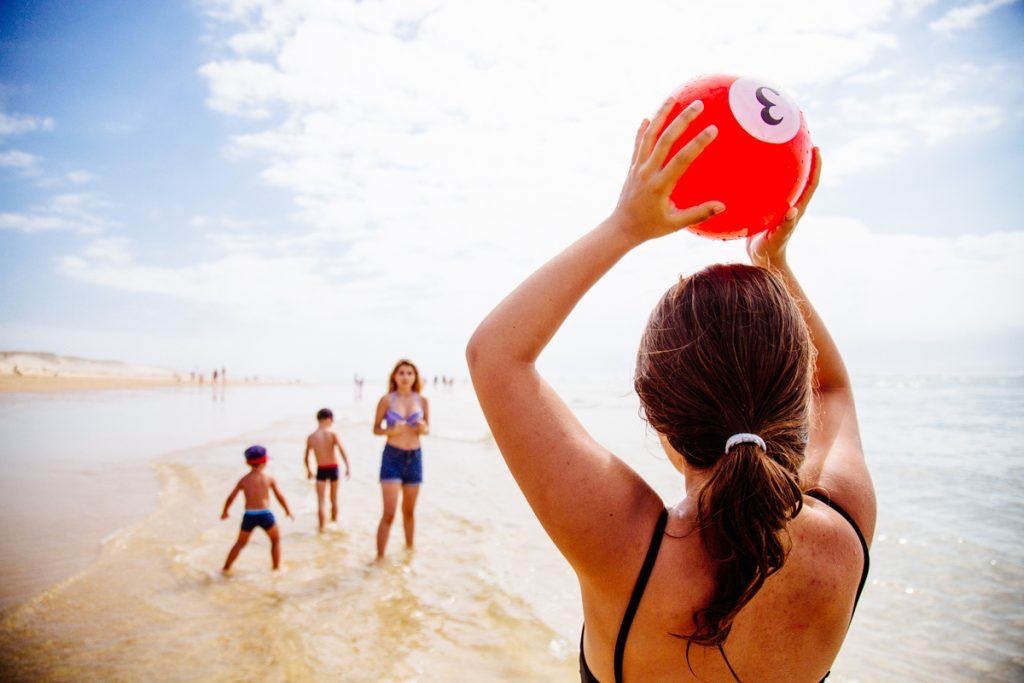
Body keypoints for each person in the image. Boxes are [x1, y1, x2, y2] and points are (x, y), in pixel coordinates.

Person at [467, 97, 875, 682]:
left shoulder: (625, 548)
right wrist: (774, 261)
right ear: (795, 405)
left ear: (657, 416)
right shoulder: (844, 525)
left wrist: (624, 227)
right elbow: (835, 390)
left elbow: (496, 354)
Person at [372, 359, 430, 559]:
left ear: (415, 377)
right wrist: (390, 430)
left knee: (409, 512)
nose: (405, 377)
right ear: (394, 376)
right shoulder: (387, 400)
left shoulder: (422, 401)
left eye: (410, 373)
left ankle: (408, 555)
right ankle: (379, 558)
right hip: (392, 458)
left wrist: (423, 428)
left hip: (414, 458)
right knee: (389, 513)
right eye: (401, 373)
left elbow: (427, 429)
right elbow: (376, 429)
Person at [221, 445, 294, 572]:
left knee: (240, 543)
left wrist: (225, 511)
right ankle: (276, 568)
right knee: (275, 540)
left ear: (247, 462)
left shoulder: (244, 480)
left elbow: (231, 497)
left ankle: (225, 568)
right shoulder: (268, 478)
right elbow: (279, 496)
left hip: (249, 515)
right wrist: (287, 510)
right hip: (265, 514)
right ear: (265, 461)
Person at [304, 407, 352, 531]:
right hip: (333, 468)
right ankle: (334, 524)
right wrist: (347, 466)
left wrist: (309, 470)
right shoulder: (332, 434)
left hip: (321, 469)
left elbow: (306, 457)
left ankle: (321, 528)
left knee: (320, 501)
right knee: (334, 498)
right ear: (329, 419)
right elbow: (342, 451)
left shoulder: (311, 437)